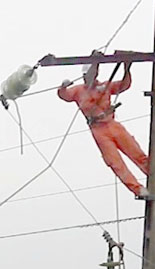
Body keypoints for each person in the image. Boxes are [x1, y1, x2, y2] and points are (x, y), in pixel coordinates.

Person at [57, 59, 149, 199]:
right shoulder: (78, 91)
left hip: (112, 124)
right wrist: (63, 87)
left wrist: (126, 69)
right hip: (99, 130)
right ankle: (137, 189)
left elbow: (123, 85)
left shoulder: (105, 86)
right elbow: (65, 95)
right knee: (115, 163)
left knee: (136, 152)